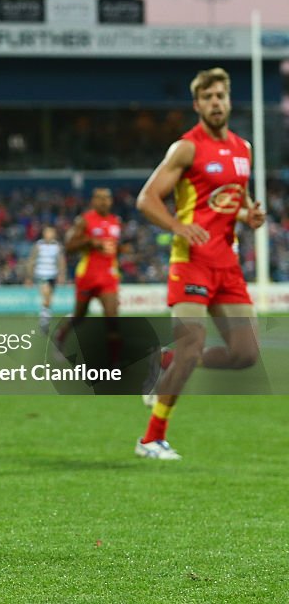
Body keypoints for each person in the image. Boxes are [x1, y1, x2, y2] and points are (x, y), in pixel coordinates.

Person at [134, 67, 265, 460]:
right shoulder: (186, 148)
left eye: (221, 96)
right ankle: (151, 439)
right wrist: (178, 226)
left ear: (228, 100)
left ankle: (167, 362)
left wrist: (248, 216)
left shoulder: (244, 149)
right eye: (208, 97)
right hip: (191, 261)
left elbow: (231, 199)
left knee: (246, 354)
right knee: (193, 346)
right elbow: (147, 198)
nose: (215, 103)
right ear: (197, 105)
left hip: (227, 263)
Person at [51, 188, 122, 366]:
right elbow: (68, 245)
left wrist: (122, 250)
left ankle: (114, 363)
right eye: (100, 198)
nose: (104, 202)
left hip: (109, 276)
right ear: (93, 201)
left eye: (107, 198)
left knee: (112, 318)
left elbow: (112, 248)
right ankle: (60, 337)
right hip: (88, 275)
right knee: (79, 316)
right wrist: (90, 241)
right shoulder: (85, 221)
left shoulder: (116, 222)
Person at [25, 225, 66, 334]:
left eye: (51, 233)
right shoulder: (39, 245)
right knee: (46, 297)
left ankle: (44, 318)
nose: (49, 235)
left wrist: (61, 275)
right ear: (44, 234)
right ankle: (44, 321)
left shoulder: (57, 246)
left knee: (49, 300)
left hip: (52, 275)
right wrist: (29, 276)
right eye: (48, 232)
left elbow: (61, 261)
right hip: (42, 274)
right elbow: (31, 260)